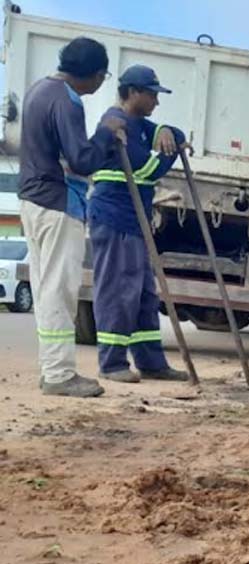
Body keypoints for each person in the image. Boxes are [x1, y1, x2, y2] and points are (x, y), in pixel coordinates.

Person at [17, 37, 123, 397]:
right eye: (102, 77)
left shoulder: (38, 90)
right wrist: (106, 135)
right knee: (59, 291)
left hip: (34, 201)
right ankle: (60, 375)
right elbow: (81, 159)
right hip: (59, 202)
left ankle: (54, 369)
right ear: (94, 75)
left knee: (47, 287)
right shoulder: (68, 101)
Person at [86, 65, 189, 382]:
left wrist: (167, 132)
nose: (156, 103)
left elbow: (174, 135)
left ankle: (151, 362)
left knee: (144, 292)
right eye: (152, 95)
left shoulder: (139, 124)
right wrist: (170, 154)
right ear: (132, 93)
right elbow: (145, 170)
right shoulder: (115, 124)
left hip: (135, 219)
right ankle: (112, 363)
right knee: (119, 290)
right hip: (115, 217)